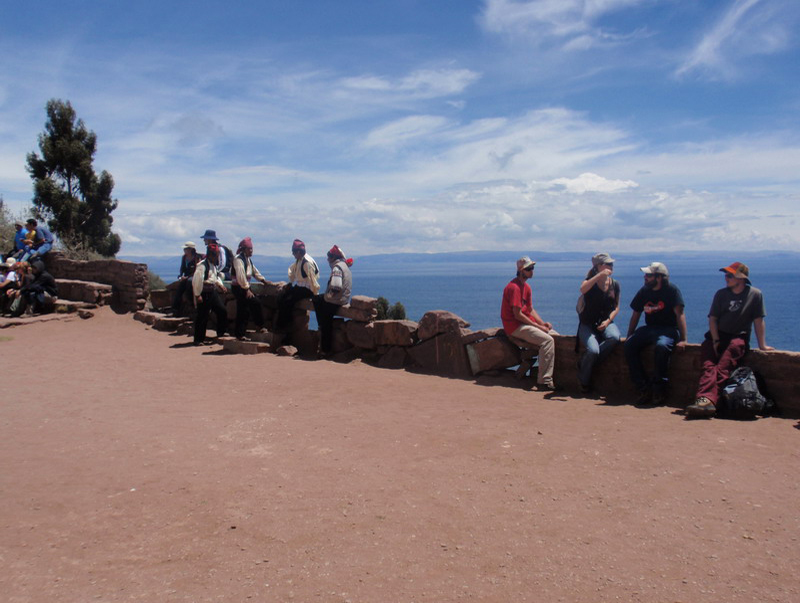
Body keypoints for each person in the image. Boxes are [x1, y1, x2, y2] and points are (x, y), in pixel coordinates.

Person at [685, 262, 774, 418]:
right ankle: (705, 400)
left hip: (738, 337)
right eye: (726, 275)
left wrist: (762, 345)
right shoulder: (721, 294)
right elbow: (713, 318)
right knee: (708, 366)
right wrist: (715, 340)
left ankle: (708, 401)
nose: (726, 278)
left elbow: (758, 320)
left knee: (723, 367)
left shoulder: (755, 294)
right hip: (718, 335)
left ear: (741, 278)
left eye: (730, 275)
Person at [624, 261, 687, 406]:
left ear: (659, 278)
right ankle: (642, 387)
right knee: (629, 346)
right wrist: (629, 335)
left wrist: (683, 339)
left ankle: (659, 389)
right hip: (649, 328)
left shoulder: (672, 291)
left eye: (648, 275)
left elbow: (680, 314)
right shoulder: (644, 291)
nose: (645, 277)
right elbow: (636, 314)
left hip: (668, 329)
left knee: (661, 347)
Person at [500, 256, 559, 391]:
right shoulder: (514, 287)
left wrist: (543, 324)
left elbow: (530, 309)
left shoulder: (526, 287)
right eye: (528, 269)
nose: (532, 271)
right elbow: (517, 314)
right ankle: (544, 380)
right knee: (547, 341)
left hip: (524, 324)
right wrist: (538, 327)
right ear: (521, 271)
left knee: (556, 336)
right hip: (514, 326)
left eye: (532, 268)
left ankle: (555, 374)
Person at [576, 253, 621, 393]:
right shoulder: (590, 281)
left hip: (606, 322)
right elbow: (582, 289)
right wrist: (598, 276)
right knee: (593, 350)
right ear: (598, 266)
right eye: (608, 264)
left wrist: (607, 322)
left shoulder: (614, 284)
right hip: (587, 323)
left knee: (614, 337)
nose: (611, 266)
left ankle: (587, 363)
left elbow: (616, 307)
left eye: (611, 264)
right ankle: (584, 381)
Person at [313, 245, 353, 356]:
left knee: (326, 322)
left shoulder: (337, 268)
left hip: (336, 300)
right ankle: (321, 325)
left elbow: (336, 286)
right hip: (344, 299)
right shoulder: (344, 266)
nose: (327, 259)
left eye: (329, 256)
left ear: (333, 257)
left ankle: (325, 350)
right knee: (318, 299)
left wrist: (328, 297)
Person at [275, 239, 320, 335]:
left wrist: (315, 294)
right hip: (300, 287)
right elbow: (293, 272)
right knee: (281, 296)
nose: (293, 254)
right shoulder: (299, 260)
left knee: (287, 302)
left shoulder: (307, 262)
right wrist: (290, 284)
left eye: (294, 252)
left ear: (298, 252)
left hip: (307, 289)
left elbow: (312, 280)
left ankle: (284, 326)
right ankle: (282, 324)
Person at [231, 237, 269, 339]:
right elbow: (241, 276)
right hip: (239, 287)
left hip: (243, 287)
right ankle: (259, 325)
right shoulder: (238, 259)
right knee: (254, 304)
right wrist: (246, 289)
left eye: (251, 249)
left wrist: (263, 280)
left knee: (243, 310)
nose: (251, 251)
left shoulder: (247, 259)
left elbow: (254, 271)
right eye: (249, 249)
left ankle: (240, 334)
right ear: (243, 249)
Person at [192, 243, 228, 344]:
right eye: (216, 255)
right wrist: (197, 295)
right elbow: (197, 280)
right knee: (202, 316)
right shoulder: (202, 266)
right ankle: (198, 339)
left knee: (222, 310)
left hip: (212, 292)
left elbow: (214, 277)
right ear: (211, 255)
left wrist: (220, 285)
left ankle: (221, 332)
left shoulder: (213, 265)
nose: (217, 257)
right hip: (203, 293)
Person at [171, 242, 198, 316]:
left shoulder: (196, 258)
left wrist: (187, 277)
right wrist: (180, 276)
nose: (184, 250)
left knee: (189, 282)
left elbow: (197, 270)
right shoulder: (184, 257)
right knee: (180, 288)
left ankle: (192, 305)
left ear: (190, 249)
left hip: (194, 276)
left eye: (186, 249)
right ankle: (175, 309)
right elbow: (182, 269)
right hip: (185, 277)